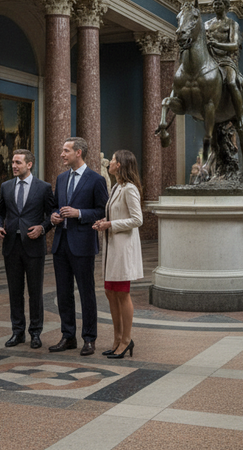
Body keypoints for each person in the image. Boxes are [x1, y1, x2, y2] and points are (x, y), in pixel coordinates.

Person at [50, 136, 108, 356]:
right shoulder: (61, 178)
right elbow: (56, 207)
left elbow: (102, 210)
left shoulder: (96, 180)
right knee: (63, 293)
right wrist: (55, 216)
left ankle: (89, 338)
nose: (62, 154)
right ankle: (68, 336)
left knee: (86, 293)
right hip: (61, 244)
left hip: (82, 244)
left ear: (79, 153)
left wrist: (79, 213)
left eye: (66, 150)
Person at [0, 149, 54, 348]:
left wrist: (43, 228)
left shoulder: (44, 188)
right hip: (11, 246)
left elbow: (51, 215)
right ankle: (17, 332)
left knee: (35, 292)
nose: (13, 165)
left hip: (34, 246)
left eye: (18, 162)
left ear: (29, 165)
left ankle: (35, 333)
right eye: (13, 162)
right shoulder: (5, 187)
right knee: (15, 291)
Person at [93, 149, 143, 359]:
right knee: (110, 292)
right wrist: (103, 223)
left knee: (122, 293)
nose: (109, 163)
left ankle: (126, 340)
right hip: (112, 247)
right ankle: (116, 339)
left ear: (120, 165)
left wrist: (111, 224)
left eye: (112, 160)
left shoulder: (130, 189)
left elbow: (137, 219)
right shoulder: (116, 187)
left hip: (123, 248)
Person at [203, 0, 243, 132]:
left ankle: (240, 118)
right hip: (209, 61)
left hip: (226, 60)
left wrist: (216, 44)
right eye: (214, 4)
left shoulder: (231, 24)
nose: (216, 6)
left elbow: (234, 45)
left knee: (231, 82)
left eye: (219, 4)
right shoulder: (206, 25)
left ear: (226, 6)